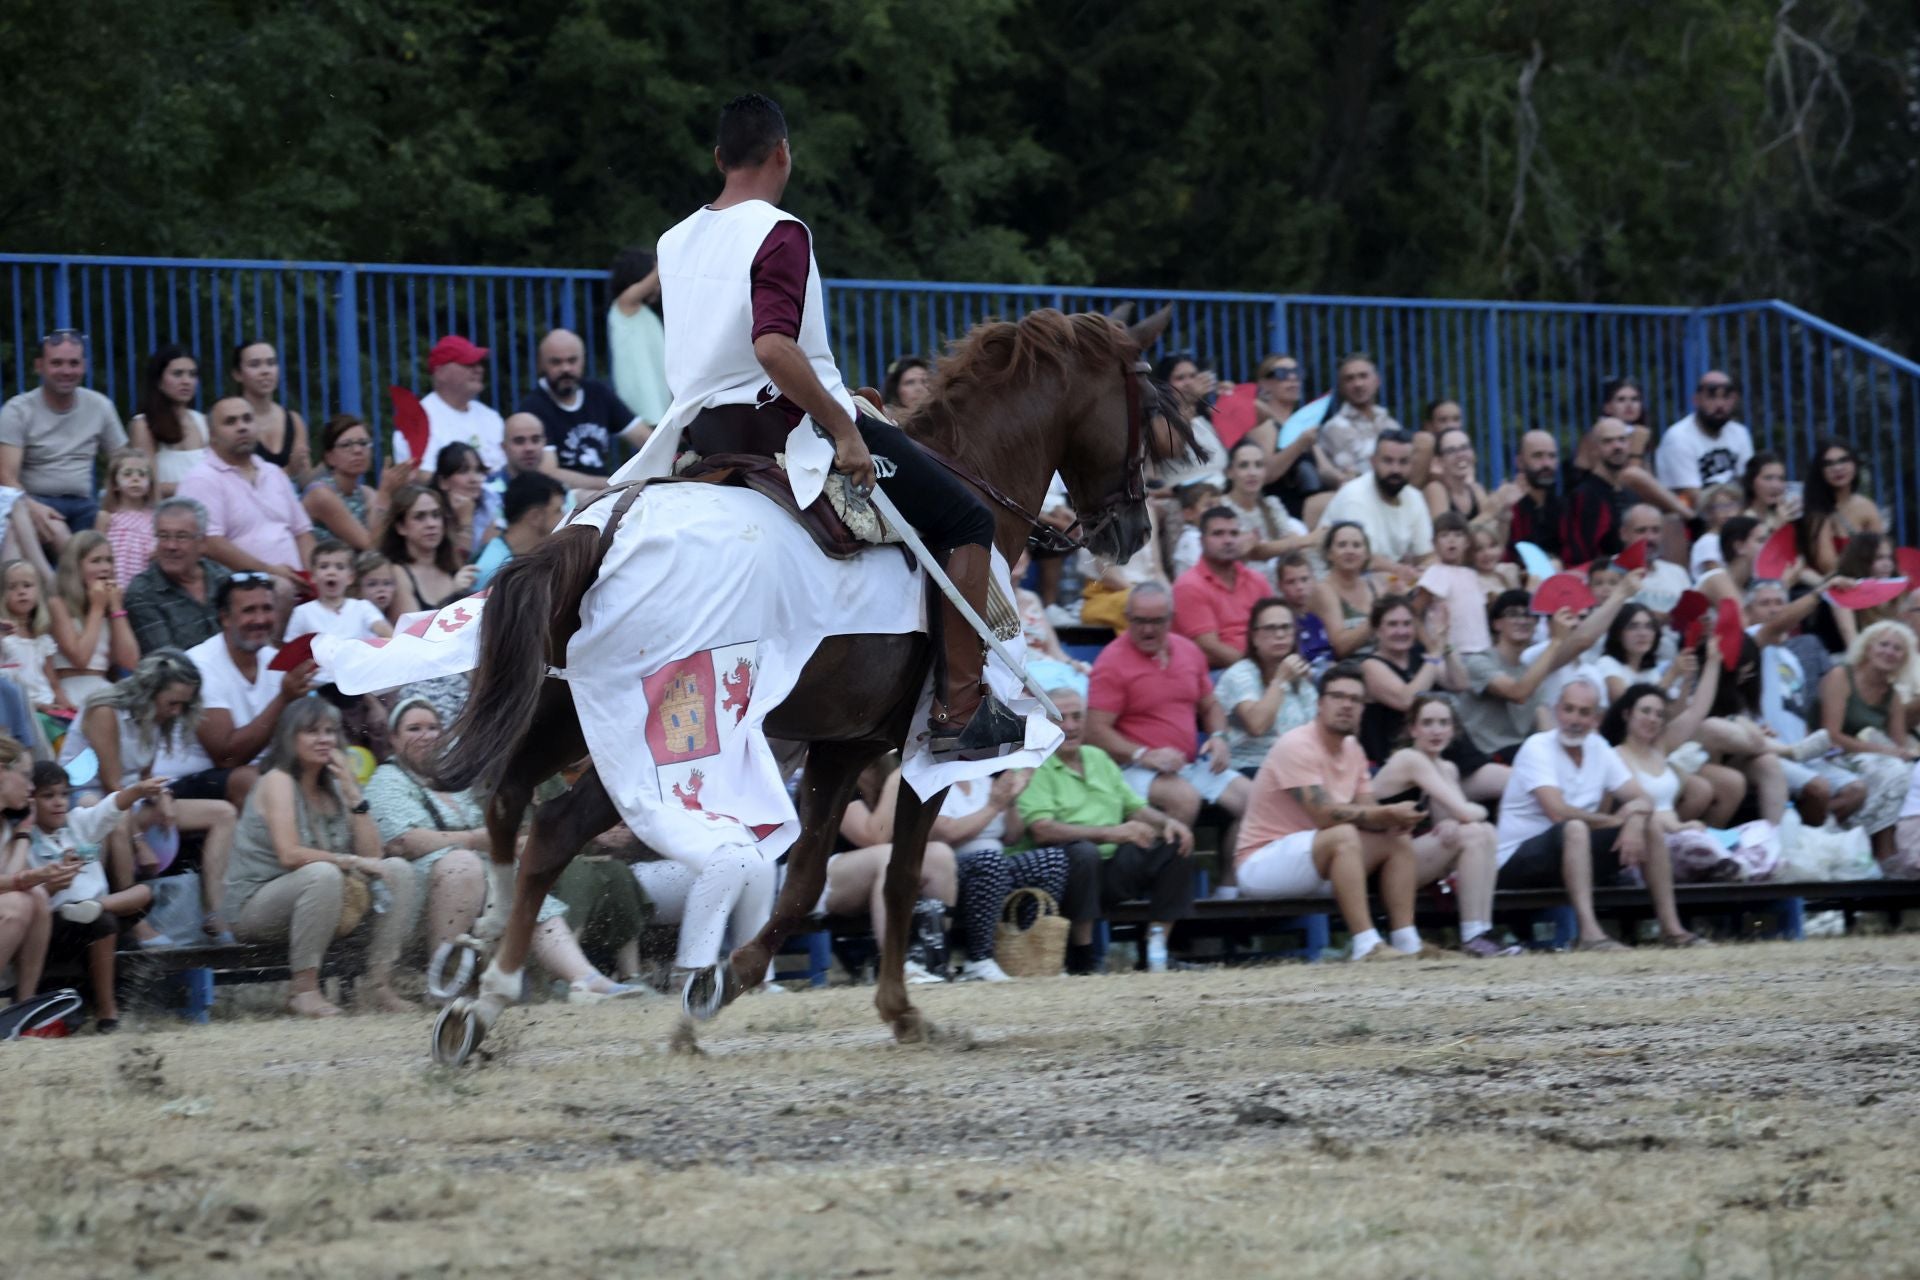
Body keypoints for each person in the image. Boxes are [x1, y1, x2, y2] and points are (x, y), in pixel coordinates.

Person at [610, 92, 1024, 762]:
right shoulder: (780, 231)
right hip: (781, 431)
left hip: (698, 435)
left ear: (719, 159)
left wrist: (845, 395)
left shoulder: (673, 239)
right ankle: (961, 708)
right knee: (968, 519)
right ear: (783, 153)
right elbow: (773, 348)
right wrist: (847, 428)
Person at [365, 698, 643, 1001]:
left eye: (433, 727)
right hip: (415, 893)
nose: (426, 735)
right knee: (464, 865)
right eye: (414, 728)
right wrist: (475, 839)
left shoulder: (449, 782)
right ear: (393, 739)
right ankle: (442, 983)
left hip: (469, 882)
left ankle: (586, 978)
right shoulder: (387, 779)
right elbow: (406, 842)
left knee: (525, 890)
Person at [225, 699, 420, 1017]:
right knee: (322, 873)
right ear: (290, 738)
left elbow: (374, 856)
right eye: (312, 732)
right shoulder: (278, 780)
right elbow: (289, 855)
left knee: (397, 870)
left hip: (321, 897)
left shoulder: (334, 785)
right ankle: (303, 991)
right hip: (257, 905)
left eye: (330, 731)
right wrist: (352, 863)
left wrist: (353, 793)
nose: (325, 739)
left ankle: (377, 986)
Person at [1233, 663, 1430, 959]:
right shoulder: (1296, 744)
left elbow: (1369, 812)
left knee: (1396, 840)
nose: (1346, 705)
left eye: (1355, 700)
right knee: (1343, 835)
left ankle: (1408, 942)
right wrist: (1385, 813)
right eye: (1338, 697)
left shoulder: (1353, 748)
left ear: (1363, 709)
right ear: (1319, 704)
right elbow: (1324, 815)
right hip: (1262, 863)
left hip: (1317, 857)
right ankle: (1366, 945)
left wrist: (1397, 819)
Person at [1494, 678, 1705, 950]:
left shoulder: (1599, 748)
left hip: (1572, 853)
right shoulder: (1537, 746)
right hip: (1517, 860)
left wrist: (1635, 820)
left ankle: (1673, 930)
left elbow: (1642, 798)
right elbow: (1557, 812)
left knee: (1650, 826)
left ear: (1597, 718)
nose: (1574, 719)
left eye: (1584, 712)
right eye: (1568, 709)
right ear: (1557, 711)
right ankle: (1590, 935)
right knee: (1574, 827)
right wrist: (1617, 820)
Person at [59, 649, 239, 945]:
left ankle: (214, 913)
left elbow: (143, 776)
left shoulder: (157, 717)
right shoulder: (105, 709)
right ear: (150, 692)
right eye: (173, 703)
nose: (177, 711)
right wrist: (140, 843)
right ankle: (135, 921)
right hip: (85, 797)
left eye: (184, 704)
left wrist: (163, 797)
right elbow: (112, 786)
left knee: (224, 813)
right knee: (117, 816)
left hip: (131, 796)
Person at [1019, 687, 1196, 971]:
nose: (1071, 726)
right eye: (1060, 718)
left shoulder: (1097, 757)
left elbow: (1134, 806)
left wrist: (1168, 823)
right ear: (1043, 723)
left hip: (1113, 867)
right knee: (1084, 854)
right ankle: (1084, 956)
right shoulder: (1033, 762)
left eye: (1078, 717)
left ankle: (1156, 949)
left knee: (1177, 845)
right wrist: (1110, 833)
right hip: (1063, 874)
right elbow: (1041, 830)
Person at [1086, 583, 1251, 831]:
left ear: (1172, 619)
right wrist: (1142, 754)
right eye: (1139, 621)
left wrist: (1219, 737)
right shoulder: (1111, 662)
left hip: (1188, 765)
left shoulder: (1189, 651)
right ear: (1127, 618)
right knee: (1184, 799)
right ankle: (1159, 868)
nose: (1148, 629)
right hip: (1131, 768)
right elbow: (1094, 731)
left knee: (1253, 800)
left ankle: (1234, 870)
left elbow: (1210, 706)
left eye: (1157, 621)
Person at [1370, 694, 1519, 956]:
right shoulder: (1409, 759)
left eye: (1443, 723)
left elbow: (1451, 817)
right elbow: (1465, 811)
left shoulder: (1446, 767)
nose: (1436, 730)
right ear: (1413, 729)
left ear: (1453, 729)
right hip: (1378, 864)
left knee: (1485, 831)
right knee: (1474, 832)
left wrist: (1453, 821)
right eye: (1427, 723)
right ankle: (1473, 935)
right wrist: (1468, 815)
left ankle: (1482, 930)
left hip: (1407, 858)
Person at [24, 764, 170, 1031]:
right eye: (48, 796)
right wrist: (54, 884)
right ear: (31, 799)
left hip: (99, 909)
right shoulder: (26, 840)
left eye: (63, 794)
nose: (58, 802)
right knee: (103, 923)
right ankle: (107, 1011)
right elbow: (29, 895)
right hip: (58, 921)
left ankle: (95, 906)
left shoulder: (77, 823)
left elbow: (110, 807)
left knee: (145, 893)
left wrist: (137, 791)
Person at [157, 574, 317, 809]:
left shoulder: (275, 660)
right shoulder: (199, 666)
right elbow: (227, 758)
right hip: (181, 783)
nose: (260, 619)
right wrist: (284, 698)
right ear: (225, 618)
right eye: (249, 610)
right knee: (250, 781)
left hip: (256, 772)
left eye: (267, 609)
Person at [1458, 578, 1635, 760]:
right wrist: (1557, 641)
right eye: (1513, 614)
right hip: (1481, 757)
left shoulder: (1530, 667)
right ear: (1496, 623)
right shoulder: (1479, 661)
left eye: (1529, 615)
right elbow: (1518, 692)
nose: (1522, 620)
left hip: (1519, 753)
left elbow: (1583, 640)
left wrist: (1620, 594)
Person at [1745, 576, 1866, 826]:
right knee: (1818, 790)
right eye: (1765, 603)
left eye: (1780, 602)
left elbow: (1795, 711)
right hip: (1766, 753)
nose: (1774, 609)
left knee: (1856, 790)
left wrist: (1819, 746)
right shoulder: (1749, 641)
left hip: (1803, 752)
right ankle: (1809, 837)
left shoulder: (1790, 658)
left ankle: (1807, 834)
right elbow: (1777, 624)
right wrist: (1820, 592)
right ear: (1748, 612)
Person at [174, 397, 314, 597]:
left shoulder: (273, 473)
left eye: (247, 419)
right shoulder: (201, 479)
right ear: (212, 435)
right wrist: (268, 572)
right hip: (242, 592)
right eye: (231, 422)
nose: (242, 427)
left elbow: (302, 532)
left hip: (298, 588)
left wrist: (313, 577)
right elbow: (211, 544)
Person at [0, 330, 129, 545]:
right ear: (39, 366)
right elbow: (5, 475)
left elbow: (124, 460)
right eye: (57, 363)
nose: (66, 371)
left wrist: (110, 506)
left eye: (73, 363)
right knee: (58, 529)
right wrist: (32, 507)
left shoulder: (100, 406)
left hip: (85, 504)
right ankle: (73, 575)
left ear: (84, 366)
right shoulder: (18, 410)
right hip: (35, 501)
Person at [1819, 620, 1920, 865]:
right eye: (1883, 644)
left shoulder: (1892, 694)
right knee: (1894, 771)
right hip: (1832, 755)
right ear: (1868, 647)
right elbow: (1830, 735)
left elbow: (1898, 746)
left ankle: (1904, 851)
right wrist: (1886, 751)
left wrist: (1903, 753)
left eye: (1897, 649)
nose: (1889, 652)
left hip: (1873, 759)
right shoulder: (1841, 675)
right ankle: (1883, 852)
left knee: (1907, 772)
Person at [513, 328, 644, 479]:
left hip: (604, 491)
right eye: (556, 362)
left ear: (583, 360)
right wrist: (610, 485)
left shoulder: (598, 393)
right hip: (564, 497)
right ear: (541, 364)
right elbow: (549, 473)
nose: (566, 368)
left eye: (572, 360)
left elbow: (644, 438)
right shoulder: (533, 408)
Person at [1357, 594, 1466, 764]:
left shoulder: (1422, 658)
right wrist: (1435, 652)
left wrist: (1446, 645)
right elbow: (1407, 700)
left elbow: (1460, 683)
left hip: (1438, 751)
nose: (1402, 631)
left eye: (1407, 624)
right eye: (1393, 624)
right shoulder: (1370, 666)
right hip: (1396, 758)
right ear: (1378, 631)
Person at [1216, 598, 1318, 775]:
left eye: (1286, 627)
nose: (1279, 635)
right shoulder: (1240, 674)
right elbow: (1257, 725)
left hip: (1296, 767)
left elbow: (1315, 732)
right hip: (1251, 768)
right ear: (1254, 637)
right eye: (1271, 628)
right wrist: (1280, 680)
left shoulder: (1300, 677)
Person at [1173, 507, 1276, 668]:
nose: (1228, 540)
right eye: (1218, 534)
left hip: (1263, 665)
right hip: (1217, 673)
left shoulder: (1257, 580)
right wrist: (1257, 669)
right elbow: (1211, 648)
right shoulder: (1189, 586)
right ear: (1202, 541)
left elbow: (1275, 626)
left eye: (1234, 534)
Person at [123, 498, 231, 654]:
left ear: (201, 542)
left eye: (181, 536)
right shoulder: (142, 592)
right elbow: (167, 661)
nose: (170, 546)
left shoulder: (223, 578)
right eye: (163, 536)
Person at [0, 739, 59, 1010]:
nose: (32, 787)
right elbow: (13, 883)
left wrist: (24, 832)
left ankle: (24, 1006)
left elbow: (10, 880)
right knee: (19, 901)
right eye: (25, 776)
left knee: (34, 896)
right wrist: (27, 878)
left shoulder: (5, 824)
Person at [47, 533, 138, 709]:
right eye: (96, 561)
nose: (105, 567)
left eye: (109, 560)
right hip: (72, 691)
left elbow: (130, 661)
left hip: (103, 689)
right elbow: (80, 659)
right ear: (76, 566)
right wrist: (97, 608)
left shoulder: (107, 606)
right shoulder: (57, 604)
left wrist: (116, 609)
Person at [1320, 430, 1432, 573]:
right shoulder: (1354, 496)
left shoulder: (1415, 497)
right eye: (1388, 460)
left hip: (1388, 578)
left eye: (1403, 462)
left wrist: (1425, 570)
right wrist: (1404, 572)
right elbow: (1363, 559)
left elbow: (1426, 555)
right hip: (1339, 580)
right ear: (1373, 462)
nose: (1395, 469)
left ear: (1412, 464)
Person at [392, 335, 506, 471]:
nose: (479, 370)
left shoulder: (491, 417)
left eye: (479, 364)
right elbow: (422, 477)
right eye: (468, 364)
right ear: (440, 372)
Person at [301, 414, 410, 552]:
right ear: (330, 458)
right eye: (346, 445)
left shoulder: (366, 493)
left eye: (364, 443)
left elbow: (382, 540)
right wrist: (385, 494)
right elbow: (371, 546)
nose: (358, 450)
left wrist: (402, 487)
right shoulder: (321, 495)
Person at [1219, 439, 1311, 584]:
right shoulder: (1221, 508)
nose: (1252, 473)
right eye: (1244, 466)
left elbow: (1291, 540)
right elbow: (1254, 551)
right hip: (1241, 583)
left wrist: (1297, 543)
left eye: (1258, 465)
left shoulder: (1271, 504)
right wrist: (1307, 540)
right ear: (1230, 472)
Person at [1656, 371, 1754, 506]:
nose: (1720, 405)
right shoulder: (1678, 437)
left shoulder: (1739, 432)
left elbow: (1748, 483)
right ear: (1696, 400)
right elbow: (1691, 496)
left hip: (1734, 513)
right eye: (1712, 397)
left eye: (1726, 397)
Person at [1312, 353, 1402, 496]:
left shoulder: (1391, 424)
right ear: (1341, 387)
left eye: (1363, 376)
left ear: (1377, 381)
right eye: (1350, 379)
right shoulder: (1334, 428)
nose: (1358, 384)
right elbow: (1352, 476)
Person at [125, 344, 208, 499]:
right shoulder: (143, 425)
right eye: (177, 374)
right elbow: (146, 485)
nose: (186, 381)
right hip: (165, 515)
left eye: (192, 374)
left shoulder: (203, 422)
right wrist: (196, 486)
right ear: (159, 380)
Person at [380, 484, 478, 614]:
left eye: (436, 515)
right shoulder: (397, 573)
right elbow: (412, 630)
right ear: (401, 527)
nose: (431, 524)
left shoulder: (452, 564)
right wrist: (453, 593)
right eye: (419, 517)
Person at [1, 559, 70, 742]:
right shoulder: (5, 639)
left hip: (48, 704)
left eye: (27, 585)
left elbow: (53, 682)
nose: (21, 591)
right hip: (22, 708)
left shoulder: (43, 639)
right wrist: (37, 705)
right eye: (12, 587)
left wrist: (66, 704)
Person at [1797, 437, 1886, 577]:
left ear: (1855, 464)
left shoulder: (1867, 507)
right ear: (1820, 471)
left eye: (1843, 460)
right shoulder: (1816, 511)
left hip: (1869, 586)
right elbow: (1828, 566)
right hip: (1832, 587)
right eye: (1828, 464)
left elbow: (1882, 555)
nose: (1838, 468)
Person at [607, 246, 671, 436]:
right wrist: (669, 256)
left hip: (655, 396)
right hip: (641, 398)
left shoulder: (643, 313)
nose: (658, 285)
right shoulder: (624, 305)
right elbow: (649, 283)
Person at [467, 470, 566, 592]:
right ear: (535, 517)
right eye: (558, 511)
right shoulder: (492, 569)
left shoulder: (538, 556)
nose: (565, 517)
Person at [230, 340, 311, 483]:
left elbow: (305, 481)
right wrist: (289, 470)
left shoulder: (294, 420)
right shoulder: (230, 421)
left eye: (271, 363)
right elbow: (235, 480)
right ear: (238, 374)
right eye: (255, 364)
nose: (265, 371)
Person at [1414, 510, 1492, 655]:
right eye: (1444, 536)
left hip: (1482, 648)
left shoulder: (1472, 574)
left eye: (1458, 535)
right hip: (1454, 653)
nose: (1452, 540)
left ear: (1467, 542)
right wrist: (1431, 646)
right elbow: (1414, 613)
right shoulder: (1435, 572)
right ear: (1434, 543)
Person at [286, 540, 391, 642]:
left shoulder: (363, 607)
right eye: (324, 566)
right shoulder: (302, 613)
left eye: (340, 567)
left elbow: (384, 631)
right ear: (313, 576)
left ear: (350, 577)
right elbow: (290, 651)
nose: (331, 572)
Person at [1307, 522, 1382, 659]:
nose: (1350, 551)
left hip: (1382, 664)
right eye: (1342, 545)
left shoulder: (1376, 586)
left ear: (1366, 554)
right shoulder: (1323, 590)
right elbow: (1340, 648)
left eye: (1356, 545)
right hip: (1345, 669)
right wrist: (1377, 618)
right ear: (1329, 554)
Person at [1150, 353, 1226, 490]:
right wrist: (1188, 402)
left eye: (1193, 376)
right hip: (1185, 502)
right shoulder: (1158, 419)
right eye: (1180, 378)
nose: (1189, 383)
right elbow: (1171, 449)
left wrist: (1233, 397)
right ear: (1165, 385)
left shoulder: (1207, 416)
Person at [95, 448, 157, 587]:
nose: (135, 479)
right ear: (115, 484)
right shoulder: (106, 518)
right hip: (113, 587)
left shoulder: (156, 520)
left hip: (144, 589)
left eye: (142, 475)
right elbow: (97, 555)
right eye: (127, 474)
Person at [430, 442, 500, 562]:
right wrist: (465, 521)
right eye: (463, 471)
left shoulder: (490, 502)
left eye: (478, 470)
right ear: (443, 482)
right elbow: (459, 566)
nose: (474, 479)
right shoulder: (431, 514)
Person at [1503, 430, 1564, 564]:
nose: (1546, 464)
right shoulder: (1507, 507)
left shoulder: (1564, 507)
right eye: (1537, 456)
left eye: (1552, 456)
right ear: (1519, 462)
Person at [1275, 551, 1333, 670]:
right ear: (1280, 586)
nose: (1300, 587)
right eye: (1291, 582)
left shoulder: (1319, 616)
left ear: (1313, 580)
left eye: (1304, 579)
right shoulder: (1282, 623)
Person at [1741, 452, 1799, 533]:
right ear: (1751, 481)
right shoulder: (1741, 519)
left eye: (1781, 479)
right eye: (1768, 478)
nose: (1776, 485)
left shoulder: (1784, 513)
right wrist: (1775, 527)